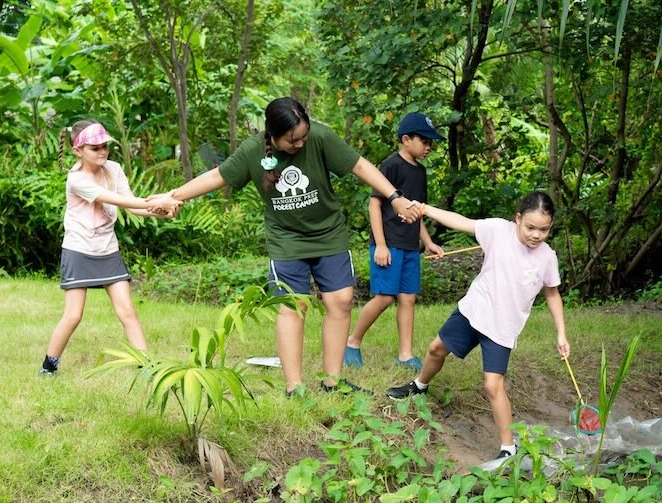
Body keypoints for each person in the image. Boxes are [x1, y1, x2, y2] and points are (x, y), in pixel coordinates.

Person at [153, 97, 421, 396]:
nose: (300, 143)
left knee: (342, 300)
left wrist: (394, 196)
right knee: (293, 306)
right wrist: (174, 196)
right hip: (286, 239)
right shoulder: (253, 151)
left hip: (328, 233)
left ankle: (332, 381)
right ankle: (295, 386)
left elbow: (359, 165)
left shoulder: (319, 137)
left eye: (303, 136)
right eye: (292, 139)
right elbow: (218, 176)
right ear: (272, 134)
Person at [386, 192, 570, 463]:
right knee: (436, 349)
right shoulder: (498, 230)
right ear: (517, 219)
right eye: (530, 227)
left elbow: (553, 295)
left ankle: (508, 447)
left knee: (493, 385)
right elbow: (461, 222)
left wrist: (561, 333)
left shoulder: (547, 258)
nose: (535, 235)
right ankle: (419, 385)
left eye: (543, 230)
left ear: (550, 227)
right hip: (474, 309)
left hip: (503, 328)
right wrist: (426, 209)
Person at [41, 120, 182, 375]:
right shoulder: (77, 179)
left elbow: (129, 205)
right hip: (79, 249)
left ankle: (147, 366)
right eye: (95, 148)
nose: (102, 152)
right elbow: (111, 198)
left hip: (108, 249)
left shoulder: (114, 169)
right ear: (78, 150)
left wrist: (159, 211)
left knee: (127, 310)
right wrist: (157, 200)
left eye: (105, 146)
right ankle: (49, 366)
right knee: (73, 315)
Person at [343, 112, 445, 370]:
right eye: (424, 141)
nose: (428, 147)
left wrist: (428, 242)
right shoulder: (391, 165)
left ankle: (405, 354)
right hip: (388, 245)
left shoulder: (420, 173)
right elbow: (374, 206)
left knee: (408, 298)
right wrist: (380, 245)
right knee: (385, 297)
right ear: (406, 139)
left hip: (411, 246)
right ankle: (352, 342)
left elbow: (417, 211)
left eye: (431, 143)